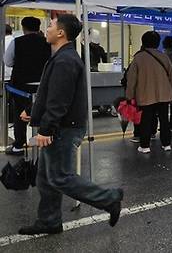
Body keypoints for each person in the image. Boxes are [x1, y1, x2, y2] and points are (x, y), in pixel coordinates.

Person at [18, 14, 123, 235]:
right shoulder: (62, 56)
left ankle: (110, 199)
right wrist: (34, 112)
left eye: (51, 25)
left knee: (60, 177)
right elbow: (50, 92)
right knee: (46, 178)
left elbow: (59, 101)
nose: (47, 29)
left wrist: (46, 128)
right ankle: (49, 221)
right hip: (62, 126)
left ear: (61, 33)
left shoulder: (65, 60)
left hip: (64, 128)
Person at [4, 17, 50, 155]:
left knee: (20, 116)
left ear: (23, 28)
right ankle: (44, 143)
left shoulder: (17, 42)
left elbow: (8, 62)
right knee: (43, 114)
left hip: (21, 87)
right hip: (43, 86)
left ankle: (18, 145)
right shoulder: (47, 42)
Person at [126, 31, 172, 153]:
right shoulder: (164, 57)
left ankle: (145, 146)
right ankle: (166, 144)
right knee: (164, 119)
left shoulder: (138, 58)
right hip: (164, 95)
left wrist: (129, 96)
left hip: (145, 95)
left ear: (143, 42)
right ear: (158, 43)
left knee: (146, 120)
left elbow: (131, 79)